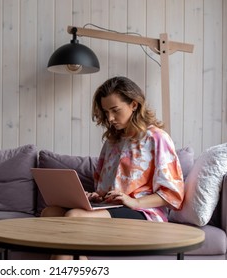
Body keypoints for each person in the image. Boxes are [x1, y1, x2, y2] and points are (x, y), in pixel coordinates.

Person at [41, 76, 185, 259]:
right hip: (111, 208)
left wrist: (136, 202)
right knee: (50, 212)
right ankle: (81, 260)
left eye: (115, 110)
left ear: (134, 104)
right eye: (106, 111)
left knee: (74, 217)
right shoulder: (112, 141)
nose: (110, 118)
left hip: (143, 213)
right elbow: (106, 187)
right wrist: (96, 195)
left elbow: (174, 194)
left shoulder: (157, 138)